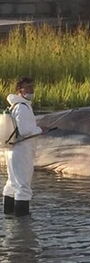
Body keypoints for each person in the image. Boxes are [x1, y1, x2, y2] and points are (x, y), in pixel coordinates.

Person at [3, 77, 44, 217]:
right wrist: (39, 130)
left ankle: (8, 214)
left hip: (11, 150)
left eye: (32, 87)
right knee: (23, 186)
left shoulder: (15, 105)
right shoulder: (22, 107)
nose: (31, 90)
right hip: (21, 150)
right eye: (27, 87)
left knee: (12, 183)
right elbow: (26, 131)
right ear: (19, 90)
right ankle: (22, 222)